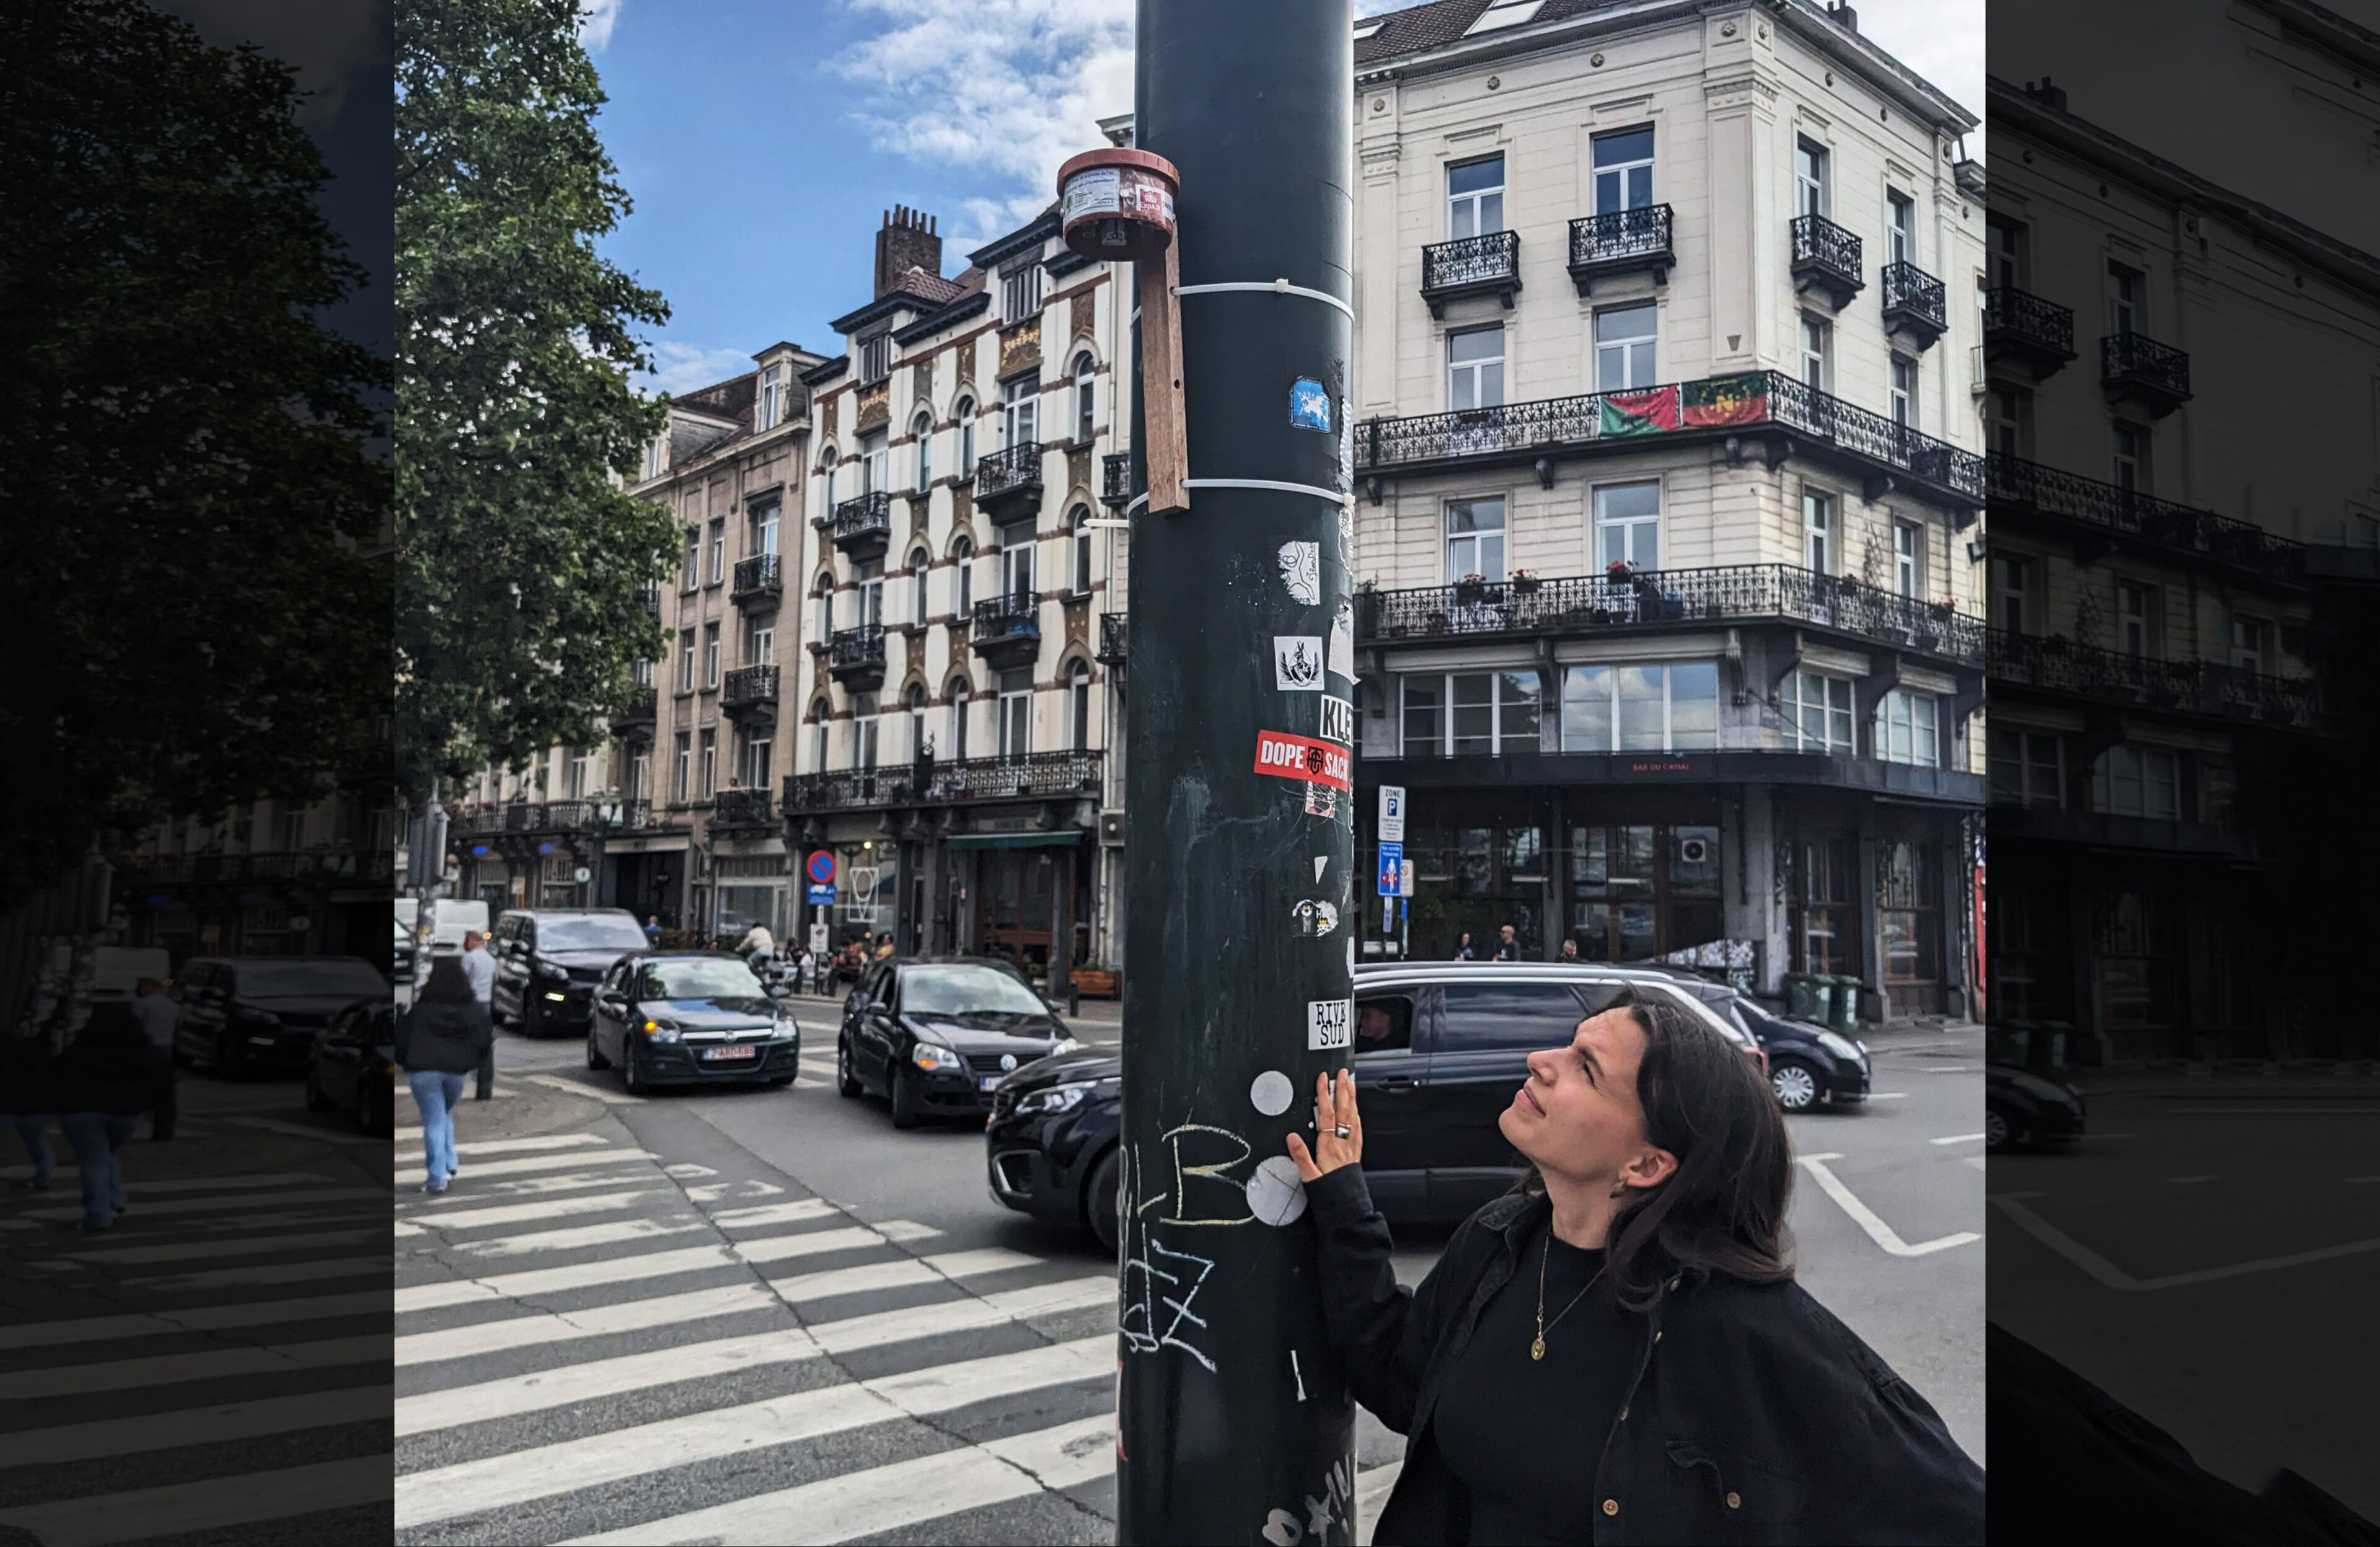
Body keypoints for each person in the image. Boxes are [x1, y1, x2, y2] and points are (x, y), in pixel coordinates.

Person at [1285, 989, 1985, 1545]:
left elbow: (1948, 1515)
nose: (1540, 1060)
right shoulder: (1499, 1241)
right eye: (1570, 1045)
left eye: (1586, 1069)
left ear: (1647, 1165)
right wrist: (1345, 1201)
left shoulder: (1746, 1330)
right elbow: (1400, 1380)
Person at [54, 1002, 171, 1232]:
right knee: (109, 1153)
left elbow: (57, 1077)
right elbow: (163, 1080)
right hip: (124, 1114)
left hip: (82, 1113)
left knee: (94, 1160)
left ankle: (98, 1214)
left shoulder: (80, 1051)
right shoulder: (144, 1052)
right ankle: (115, 1201)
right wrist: (143, 1104)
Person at [397, 956, 493, 1195]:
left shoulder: (421, 1009)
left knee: (434, 1120)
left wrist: (405, 1061)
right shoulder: (472, 1010)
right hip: (456, 1073)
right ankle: (449, 1164)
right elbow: (484, 1041)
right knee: (443, 1115)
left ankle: (437, 1176)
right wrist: (472, 1063)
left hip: (423, 1071)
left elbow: (402, 1039)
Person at [127, 976, 180, 1139]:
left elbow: (135, 1025)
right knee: (166, 1090)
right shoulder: (173, 1005)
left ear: (148, 987)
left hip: (147, 1046)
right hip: (166, 1047)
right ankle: (164, 1130)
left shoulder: (143, 1003)